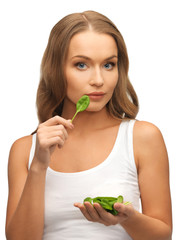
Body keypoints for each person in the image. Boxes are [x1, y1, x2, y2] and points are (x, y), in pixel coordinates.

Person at [5, 10, 172, 240]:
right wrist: (39, 166)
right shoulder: (25, 150)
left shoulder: (142, 137)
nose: (98, 80)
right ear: (56, 70)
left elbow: (163, 235)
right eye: (81, 65)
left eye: (108, 65)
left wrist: (127, 219)